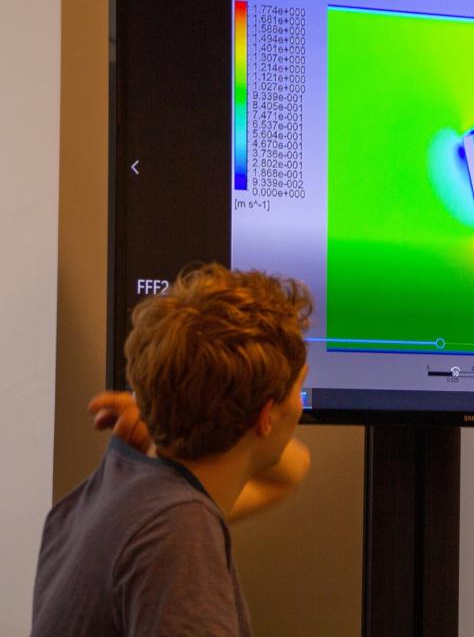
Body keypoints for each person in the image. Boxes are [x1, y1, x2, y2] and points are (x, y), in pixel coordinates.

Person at [31, 263, 314, 636]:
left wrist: (162, 415)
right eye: (298, 387)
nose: (300, 402)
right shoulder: (179, 531)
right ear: (266, 415)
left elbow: (290, 471)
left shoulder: (120, 486)